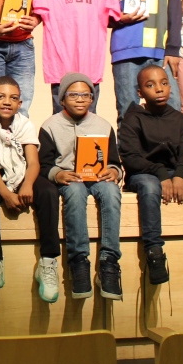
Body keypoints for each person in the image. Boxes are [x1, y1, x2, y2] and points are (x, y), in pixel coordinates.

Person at [119, 65, 183, 285]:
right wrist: (160, 173)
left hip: (176, 171)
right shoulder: (133, 119)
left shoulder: (179, 119)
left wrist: (181, 175)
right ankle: (154, 251)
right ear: (140, 92)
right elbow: (130, 157)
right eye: (151, 85)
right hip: (144, 173)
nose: (159, 89)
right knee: (149, 187)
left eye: (164, 83)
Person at [0, 76, 61, 302]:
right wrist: (6, 194)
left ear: (20, 103)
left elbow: (33, 162)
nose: (7, 102)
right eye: (0, 97)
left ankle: (48, 262)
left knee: (49, 192)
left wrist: (28, 184)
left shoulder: (25, 124)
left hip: (21, 172)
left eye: (13, 98)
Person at [37, 72, 123, 300]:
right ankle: (78, 262)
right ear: (62, 98)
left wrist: (114, 171)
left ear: (92, 99)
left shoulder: (103, 125)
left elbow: (115, 162)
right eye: (73, 94)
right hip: (70, 180)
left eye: (86, 95)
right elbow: (43, 164)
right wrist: (58, 174)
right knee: (75, 192)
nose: (80, 99)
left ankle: (109, 262)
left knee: (112, 191)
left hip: (98, 179)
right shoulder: (50, 126)